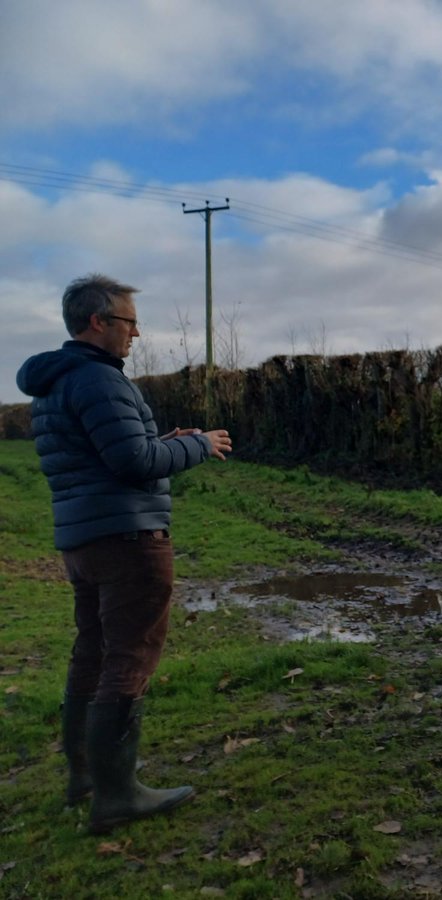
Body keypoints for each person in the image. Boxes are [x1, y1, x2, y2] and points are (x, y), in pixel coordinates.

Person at [16, 274, 233, 833]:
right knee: (129, 656)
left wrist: (165, 444)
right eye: (129, 322)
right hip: (128, 539)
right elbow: (134, 464)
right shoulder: (99, 379)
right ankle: (117, 797)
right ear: (98, 322)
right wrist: (199, 445)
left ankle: (86, 778)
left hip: (84, 539)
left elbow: (108, 455)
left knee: (92, 652)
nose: (136, 333)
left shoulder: (54, 383)